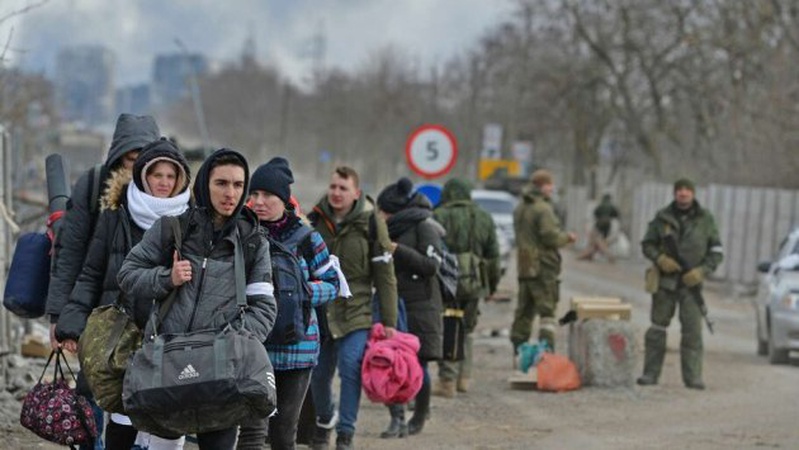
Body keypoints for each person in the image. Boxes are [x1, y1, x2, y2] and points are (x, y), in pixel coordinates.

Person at [118, 148, 277, 449]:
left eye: (238, 185)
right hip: (169, 367)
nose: (230, 193)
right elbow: (128, 274)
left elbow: (265, 309)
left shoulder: (254, 242)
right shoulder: (172, 228)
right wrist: (167, 278)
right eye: (221, 183)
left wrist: (234, 344)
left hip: (222, 374)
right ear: (205, 184)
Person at [55, 139, 191, 450]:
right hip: (120, 333)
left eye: (171, 177)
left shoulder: (189, 220)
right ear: (144, 175)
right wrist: (71, 324)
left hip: (169, 333)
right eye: (158, 175)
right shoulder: (115, 216)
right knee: (122, 415)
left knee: (162, 417)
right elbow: (91, 272)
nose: (164, 183)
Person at [46, 113, 160, 450]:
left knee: (142, 397)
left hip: (150, 316)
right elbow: (70, 253)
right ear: (117, 154)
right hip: (99, 312)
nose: (137, 164)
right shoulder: (96, 185)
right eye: (130, 156)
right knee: (92, 388)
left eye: (145, 156)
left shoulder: (170, 194)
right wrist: (60, 318)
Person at [236, 157, 339, 450]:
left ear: (284, 199)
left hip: (298, 350)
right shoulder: (239, 234)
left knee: (283, 434)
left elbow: (332, 283)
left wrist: (304, 294)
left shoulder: (308, 238)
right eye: (253, 194)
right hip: (254, 347)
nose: (258, 201)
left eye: (267, 195)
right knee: (252, 433)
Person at [306, 166, 398, 450]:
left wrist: (390, 321)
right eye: (333, 187)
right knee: (318, 374)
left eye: (343, 188)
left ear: (356, 193)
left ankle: (346, 433)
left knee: (350, 367)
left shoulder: (371, 224)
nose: (336, 193)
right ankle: (324, 420)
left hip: (356, 312)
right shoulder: (314, 221)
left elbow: (385, 275)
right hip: (322, 311)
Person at [637, 178, 723, 390]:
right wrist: (660, 259)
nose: (683, 194)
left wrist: (701, 271)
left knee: (692, 331)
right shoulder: (663, 218)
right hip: (666, 283)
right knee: (657, 328)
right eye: (679, 190)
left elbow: (716, 252)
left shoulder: (705, 219)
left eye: (687, 190)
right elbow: (647, 244)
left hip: (691, 285)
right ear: (675, 193)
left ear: (693, 193)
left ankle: (693, 377)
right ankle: (650, 374)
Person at [375, 177, 444, 437]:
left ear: (396, 211)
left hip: (422, 305)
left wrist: (397, 250)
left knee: (419, 365)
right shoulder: (386, 229)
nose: (380, 215)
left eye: (384, 211)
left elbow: (430, 265)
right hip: (394, 303)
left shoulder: (424, 226)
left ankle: (419, 415)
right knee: (391, 362)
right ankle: (398, 418)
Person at [431, 177, 500, 398]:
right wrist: (491, 286)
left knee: (450, 324)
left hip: (446, 280)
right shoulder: (484, 217)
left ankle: (447, 380)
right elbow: (493, 256)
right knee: (468, 328)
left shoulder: (439, 216)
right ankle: (464, 377)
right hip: (475, 279)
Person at [510, 169, 577, 353]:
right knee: (547, 312)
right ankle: (546, 356)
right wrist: (567, 238)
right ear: (541, 186)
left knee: (524, 310)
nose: (552, 188)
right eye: (549, 185)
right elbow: (550, 237)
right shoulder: (543, 209)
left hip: (525, 265)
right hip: (543, 266)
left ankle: (518, 354)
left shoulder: (520, 207)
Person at [578, 193, 620, 262]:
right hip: (608, 225)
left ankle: (609, 255)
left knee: (596, 239)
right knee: (599, 240)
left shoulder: (600, 205)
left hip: (599, 223)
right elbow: (616, 215)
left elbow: (595, 214)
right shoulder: (612, 206)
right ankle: (590, 254)